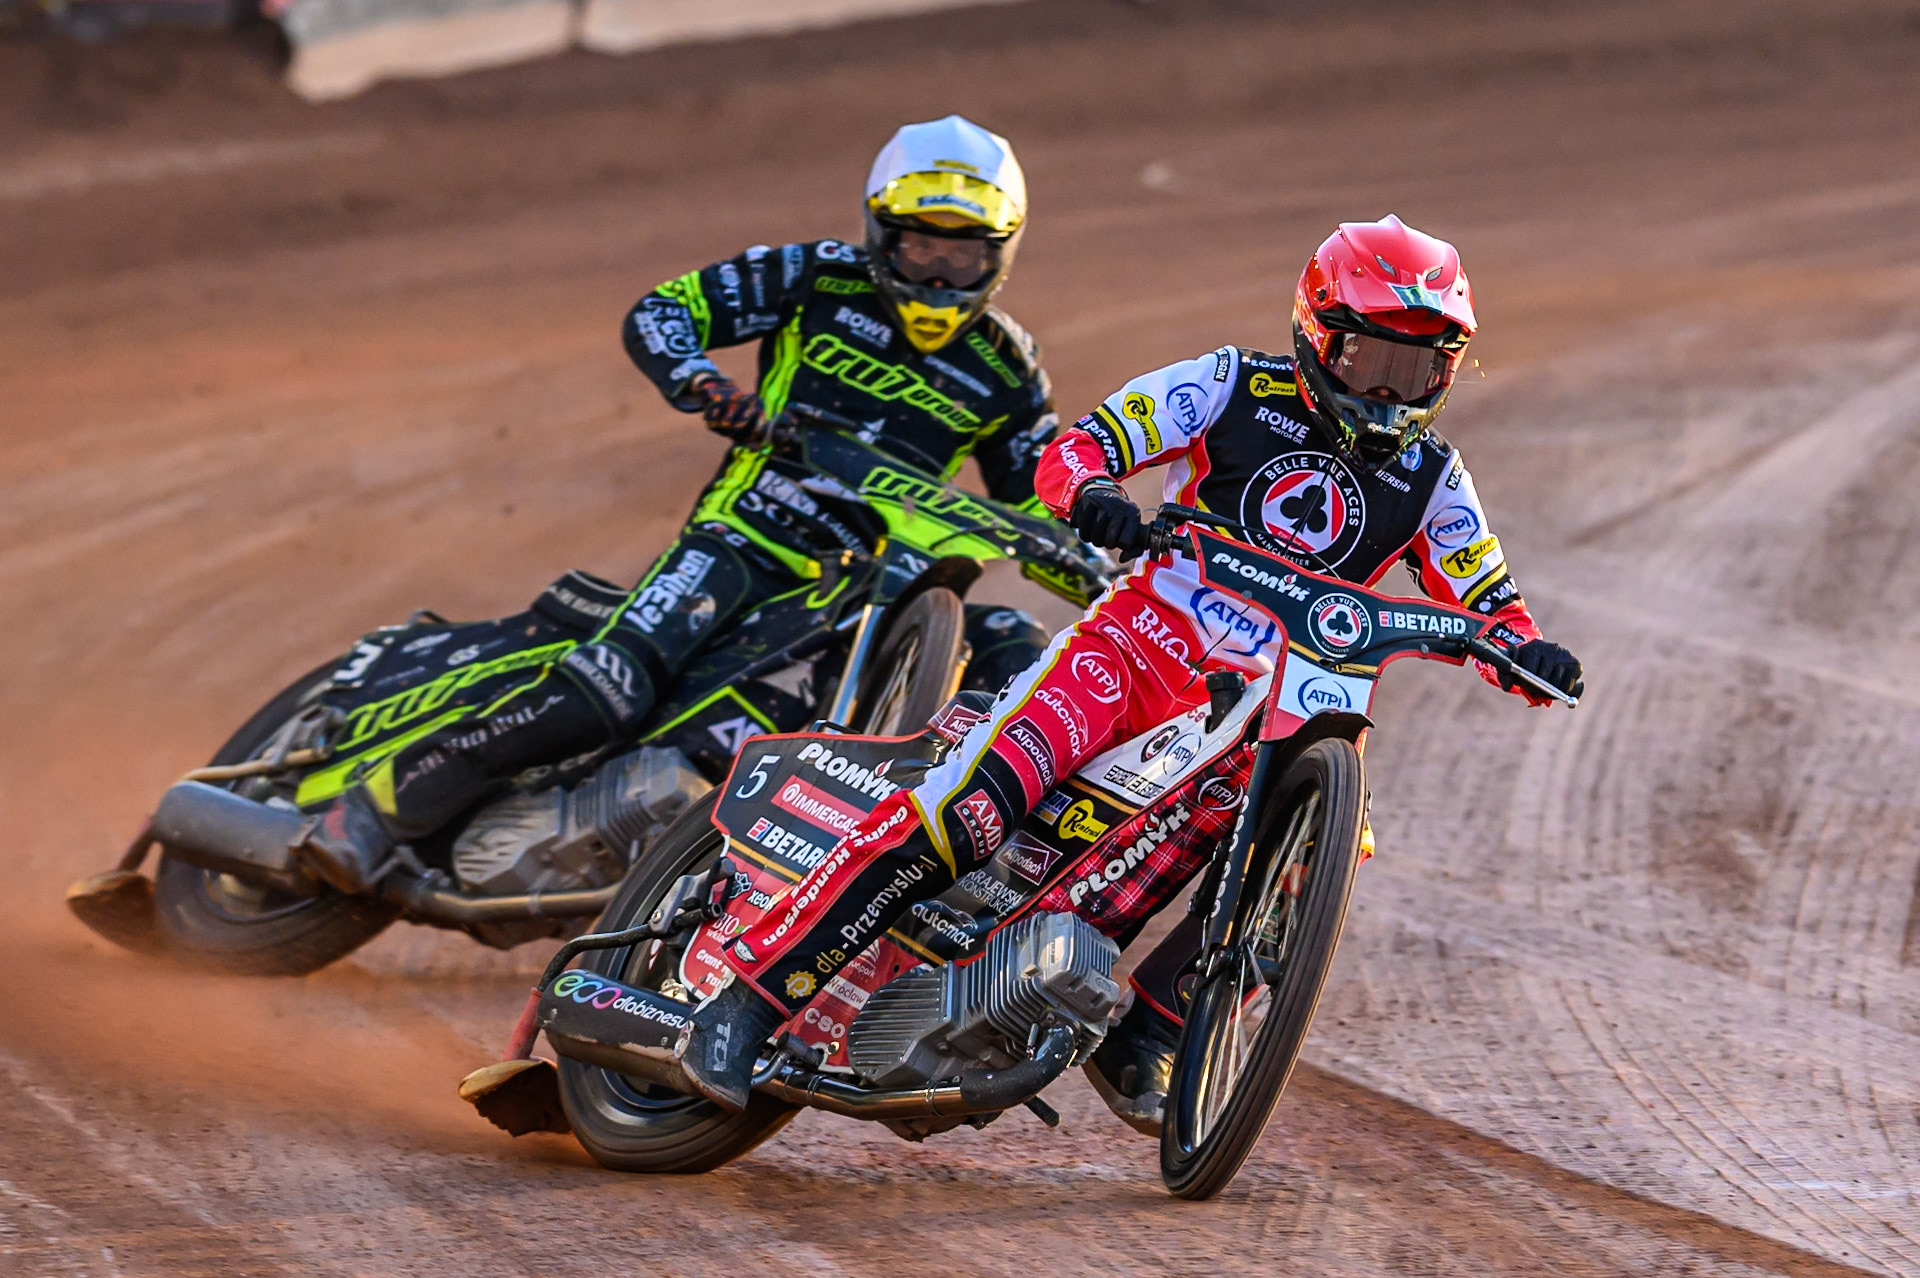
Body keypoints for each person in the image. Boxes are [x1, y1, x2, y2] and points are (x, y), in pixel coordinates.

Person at [673, 214, 1586, 1125]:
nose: (1391, 393)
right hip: (1129, 653)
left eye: (1418, 371)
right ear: (1318, 335)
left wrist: (1529, 654)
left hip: (1260, 710)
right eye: (1373, 362)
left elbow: (1494, 606)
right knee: (970, 812)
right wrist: (1098, 495)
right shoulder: (1230, 384)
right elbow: (1076, 451)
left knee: (1322, 846)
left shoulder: (1435, 478)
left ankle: (1149, 1033)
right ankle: (746, 1003)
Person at [298, 116, 1062, 894]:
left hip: (863, 590)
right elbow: (664, 313)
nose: (938, 274)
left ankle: (985, 869)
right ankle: (373, 808)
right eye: (920, 248)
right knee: (611, 689)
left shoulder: (1008, 369)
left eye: (961, 256)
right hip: (742, 539)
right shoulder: (817, 276)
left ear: (999, 255)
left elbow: (1044, 497)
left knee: (1013, 638)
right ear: (879, 234)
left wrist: (1098, 538)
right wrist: (706, 386)